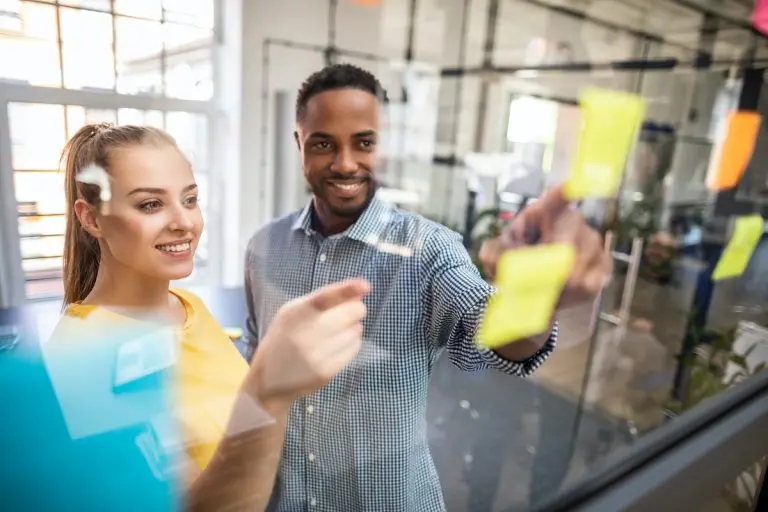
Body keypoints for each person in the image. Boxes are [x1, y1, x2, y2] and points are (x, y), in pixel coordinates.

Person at [244, 64, 612, 511]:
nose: (345, 163)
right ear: (300, 143)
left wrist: (534, 296)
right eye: (323, 144)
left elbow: (493, 333)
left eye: (365, 143)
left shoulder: (427, 249)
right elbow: (253, 358)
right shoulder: (265, 248)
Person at [44, 122, 371, 511]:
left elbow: (234, 426)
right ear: (92, 219)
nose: (184, 222)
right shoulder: (82, 355)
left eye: (190, 199)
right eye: (150, 204)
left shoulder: (186, 307)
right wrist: (269, 393)